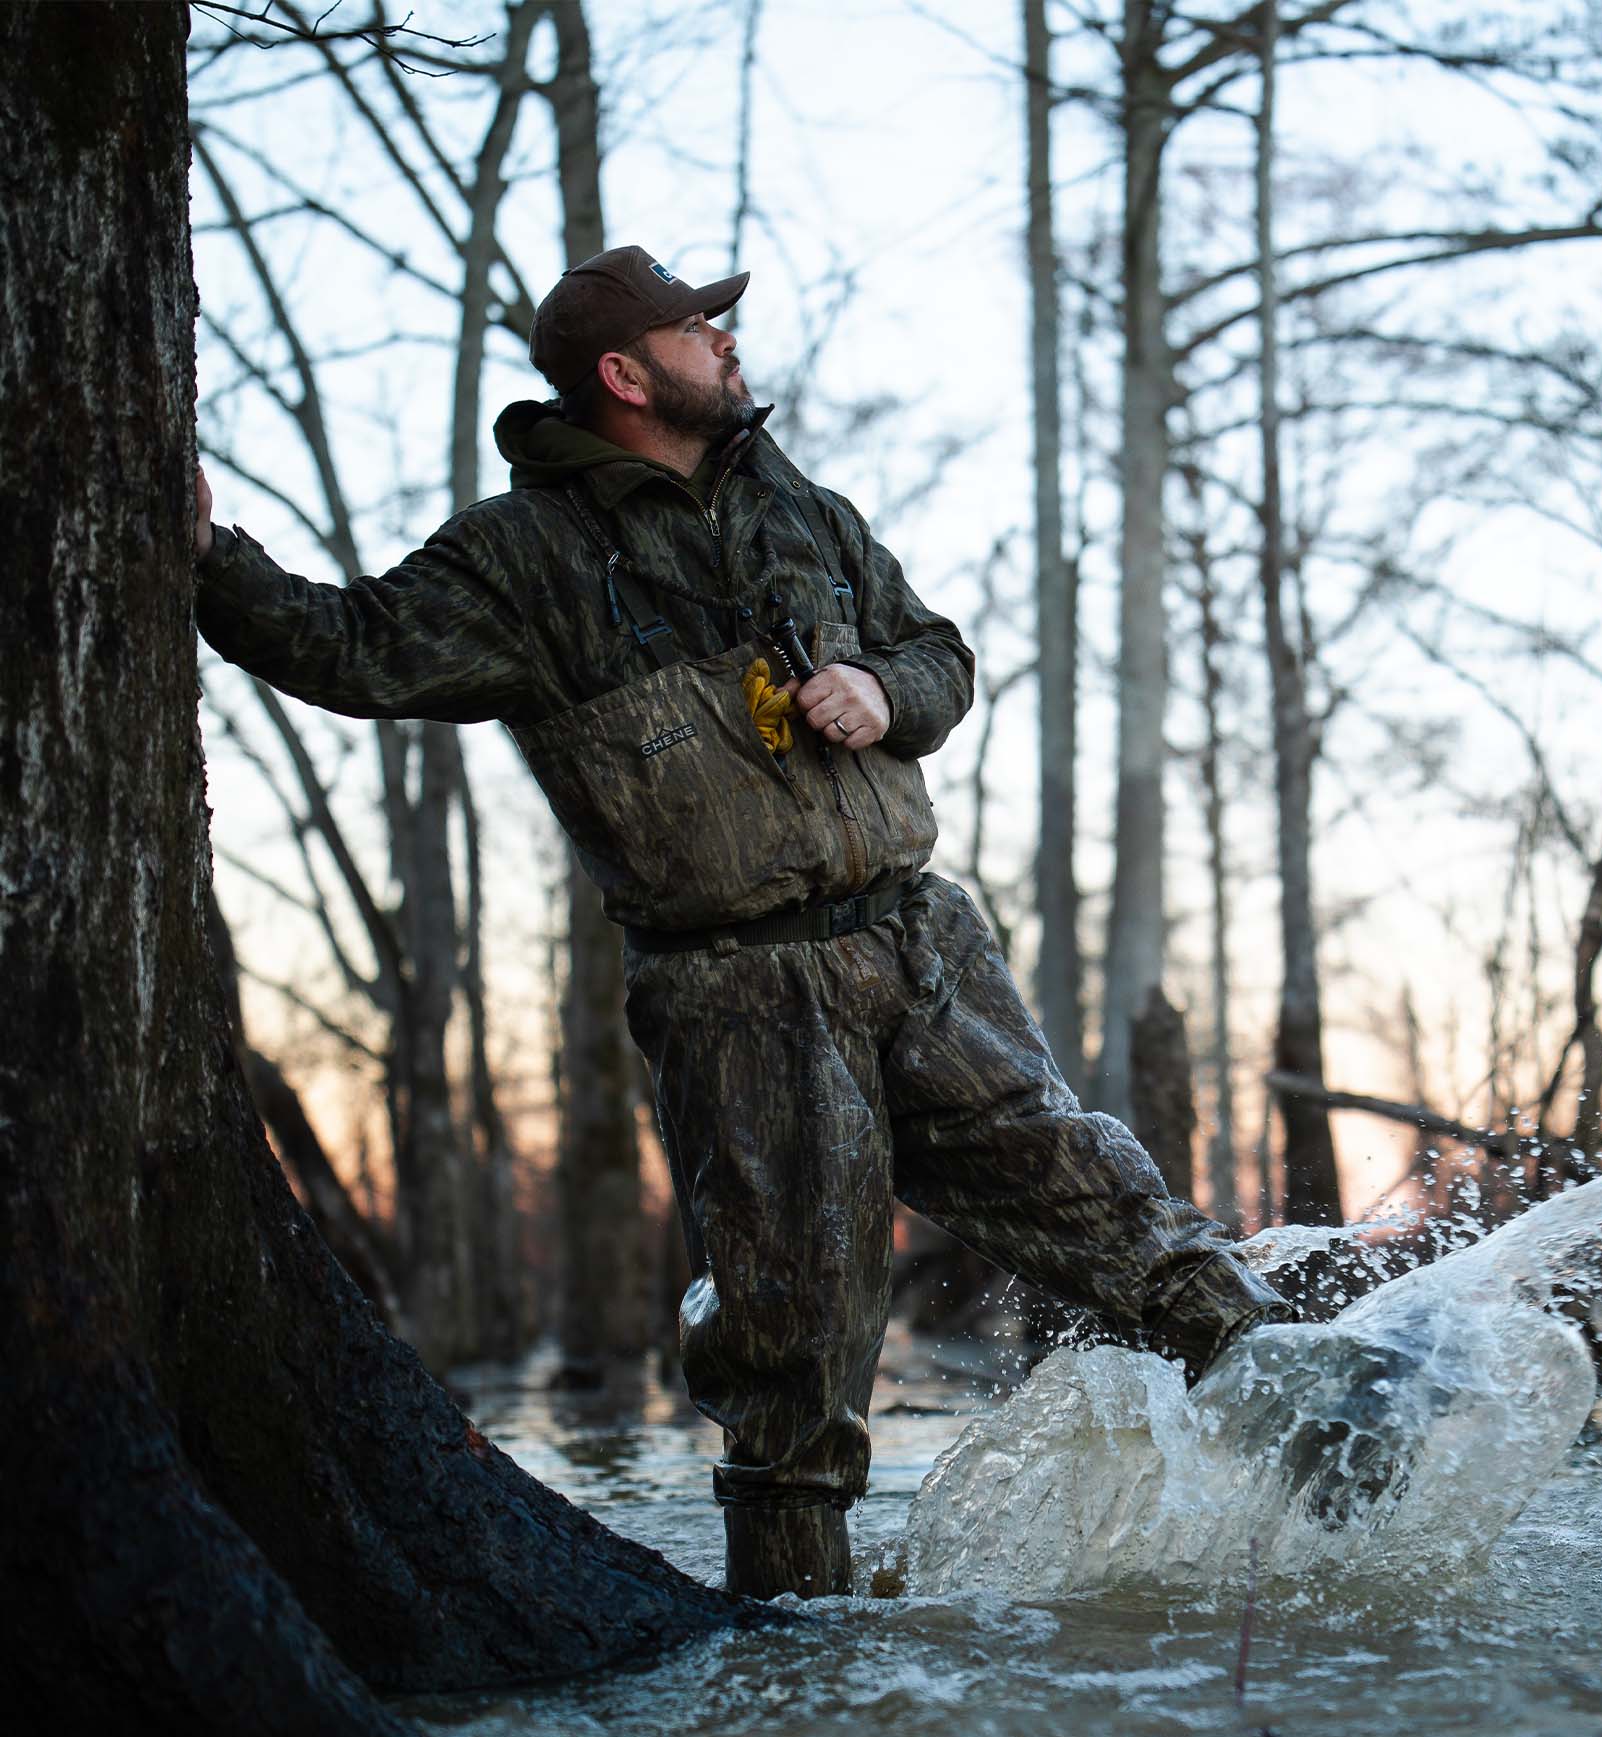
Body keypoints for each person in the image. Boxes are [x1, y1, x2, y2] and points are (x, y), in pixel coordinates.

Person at [195, 246, 1288, 1599]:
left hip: (920, 944)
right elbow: (350, 647)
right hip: (739, 992)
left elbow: (940, 652)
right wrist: (206, 555)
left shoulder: (803, 510)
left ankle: (1341, 1456)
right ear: (624, 372)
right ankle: (796, 1672)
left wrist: (886, 694)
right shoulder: (520, 556)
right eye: (698, 327)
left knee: (1113, 1206)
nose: (725, 342)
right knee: (791, 1345)